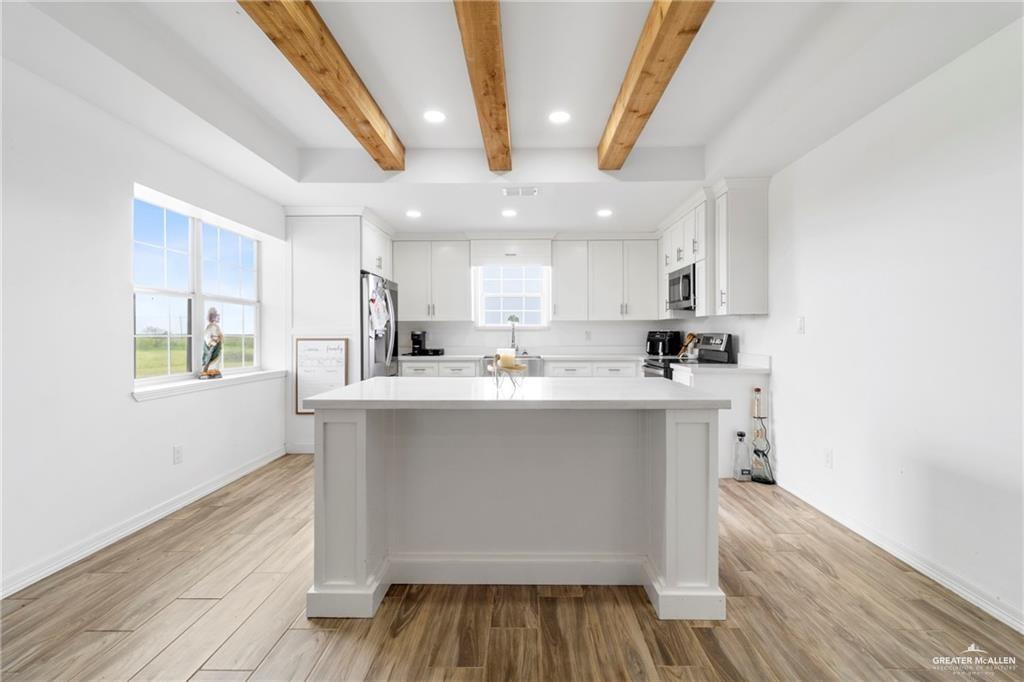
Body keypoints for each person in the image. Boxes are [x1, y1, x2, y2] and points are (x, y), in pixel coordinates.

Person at [200, 307, 224, 379]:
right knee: (209, 357)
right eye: (215, 316)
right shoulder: (209, 327)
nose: (217, 318)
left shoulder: (216, 326)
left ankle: (214, 371)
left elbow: (220, 335)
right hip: (212, 345)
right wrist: (212, 342)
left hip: (217, 345)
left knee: (217, 358)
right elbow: (207, 336)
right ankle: (207, 370)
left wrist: (220, 338)